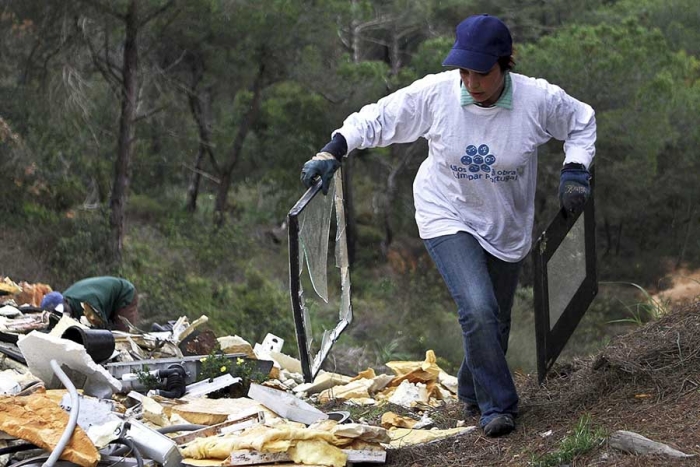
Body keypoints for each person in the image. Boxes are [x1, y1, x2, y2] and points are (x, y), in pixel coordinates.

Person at [300, 14, 595, 437]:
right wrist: (334, 149)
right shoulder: (438, 95)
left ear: (505, 64)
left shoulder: (538, 100)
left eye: (482, 73)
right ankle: (499, 407)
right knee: (477, 307)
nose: (471, 82)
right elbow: (380, 118)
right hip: (446, 211)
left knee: (496, 319)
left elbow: (582, 121)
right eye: (464, 71)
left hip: (505, 224)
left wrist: (576, 169)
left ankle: (472, 391)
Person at [40, 276, 139, 332]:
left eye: (63, 310)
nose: (64, 315)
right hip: (104, 299)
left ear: (65, 301)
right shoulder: (68, 301)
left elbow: (102, 332)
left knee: (122, 336)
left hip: (123, 294)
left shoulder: (88, 306)